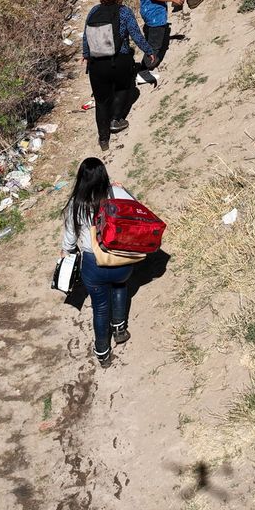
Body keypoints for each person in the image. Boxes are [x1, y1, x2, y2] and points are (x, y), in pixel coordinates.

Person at [60, 157, 145, 368]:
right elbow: (139, 212)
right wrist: (126, 190)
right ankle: (119, 328)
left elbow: (69, 242)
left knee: (99, 307)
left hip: (93, 264)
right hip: (120, 259)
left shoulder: (76, 205)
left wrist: (67, 254)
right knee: (120, 286)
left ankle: (102, 352)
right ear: (103, 175)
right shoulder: (116, 194)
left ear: (81, 179)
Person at [82, 0, 151, 151]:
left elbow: (86, 36)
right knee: (123, 87)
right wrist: (149, 50)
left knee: (101, 101)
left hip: (97, 64)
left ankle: (103, 139)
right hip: (120, 60)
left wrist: (86, 55)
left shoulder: (94, 11)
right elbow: (136, 34)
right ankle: (116, 119)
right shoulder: (124, 12)